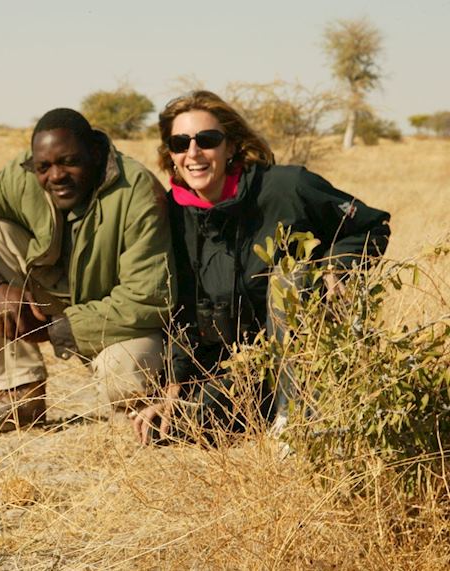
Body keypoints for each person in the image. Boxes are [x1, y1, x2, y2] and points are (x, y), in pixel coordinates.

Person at [133, 90, 391, 445]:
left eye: (207, 140)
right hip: (238, 367)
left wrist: (336, 266)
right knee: (167, 427)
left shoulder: (286, 187)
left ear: (231, 146)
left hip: (301, 357)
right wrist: (174, 383)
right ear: (171, 154)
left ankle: (297, 420)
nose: (193, 153)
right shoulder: (172, 215)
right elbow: (181, 310)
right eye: (180, 143)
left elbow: (371, 225)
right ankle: (265, 417)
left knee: (291, 276)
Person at [0, 108, 176, 432]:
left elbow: (150, 298)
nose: (56, 176)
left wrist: (59, 328)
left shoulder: (136, 190)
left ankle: (138, 406)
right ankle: (21, 392)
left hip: (116, 320)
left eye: (69, 162)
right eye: (44, 167)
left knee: (124, 377)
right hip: (54, 296)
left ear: (95, 153)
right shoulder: (22, 175)